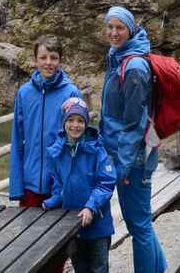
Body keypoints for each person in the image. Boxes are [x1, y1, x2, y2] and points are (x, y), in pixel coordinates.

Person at [100, 6, 167, 273]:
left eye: (120, 27)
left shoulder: (135, 66)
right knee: (141, 223)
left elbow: (134, 124)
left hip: (134, 158)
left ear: (130, 29)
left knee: (138, 226)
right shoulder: (118, 56)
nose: (114, 33)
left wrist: (124, 165)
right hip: (125, 153)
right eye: (110, 27)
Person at [43, 98, 116, 273]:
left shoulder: (97, 150)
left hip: (98, 222)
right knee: (80, 267)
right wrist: (52, 201)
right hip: (72, 222)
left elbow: (106, 183)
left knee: (99, 267)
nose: (75, 125)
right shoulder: (56, 153)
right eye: (70, 120)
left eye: (80, 120)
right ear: (63, 123)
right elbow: (59, 185)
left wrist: (91, 207)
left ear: (86, 123)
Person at [9, 34, 82, 208]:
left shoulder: (70, 93)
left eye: (54, 58)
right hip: (30, 183)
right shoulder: (24, 93)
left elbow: (80, 142)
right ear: (35, 60)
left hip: (60, 183)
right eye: (43, 57)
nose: (48, 62)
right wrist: (16, 186)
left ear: (60, 61)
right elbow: (17, 140)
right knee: (29, 233)